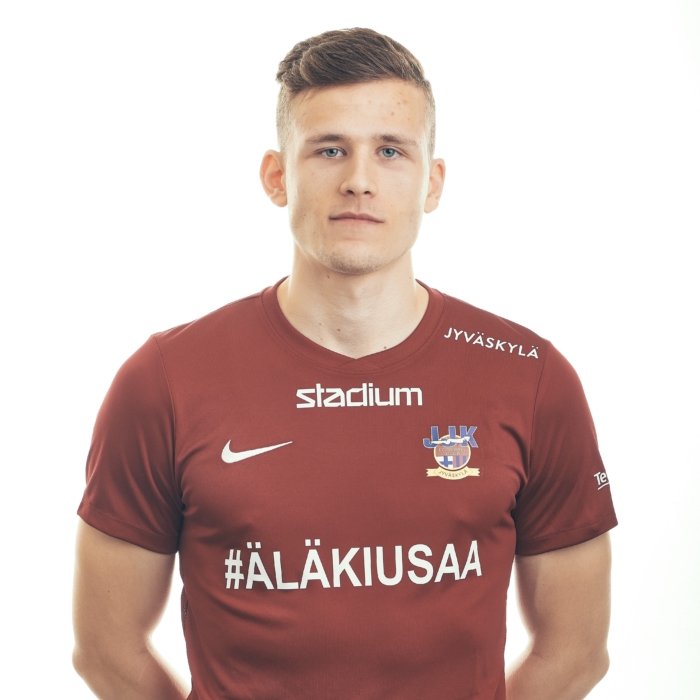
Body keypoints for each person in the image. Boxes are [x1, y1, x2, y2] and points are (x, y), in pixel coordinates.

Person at [72, 27, 617, 700]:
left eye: (390, 151)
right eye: (329, 149)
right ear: (277, 176)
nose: (359, 181)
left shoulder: (530, 377)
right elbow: (106, 650)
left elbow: (575, 653)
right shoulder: (164, 381)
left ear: (432, 183)